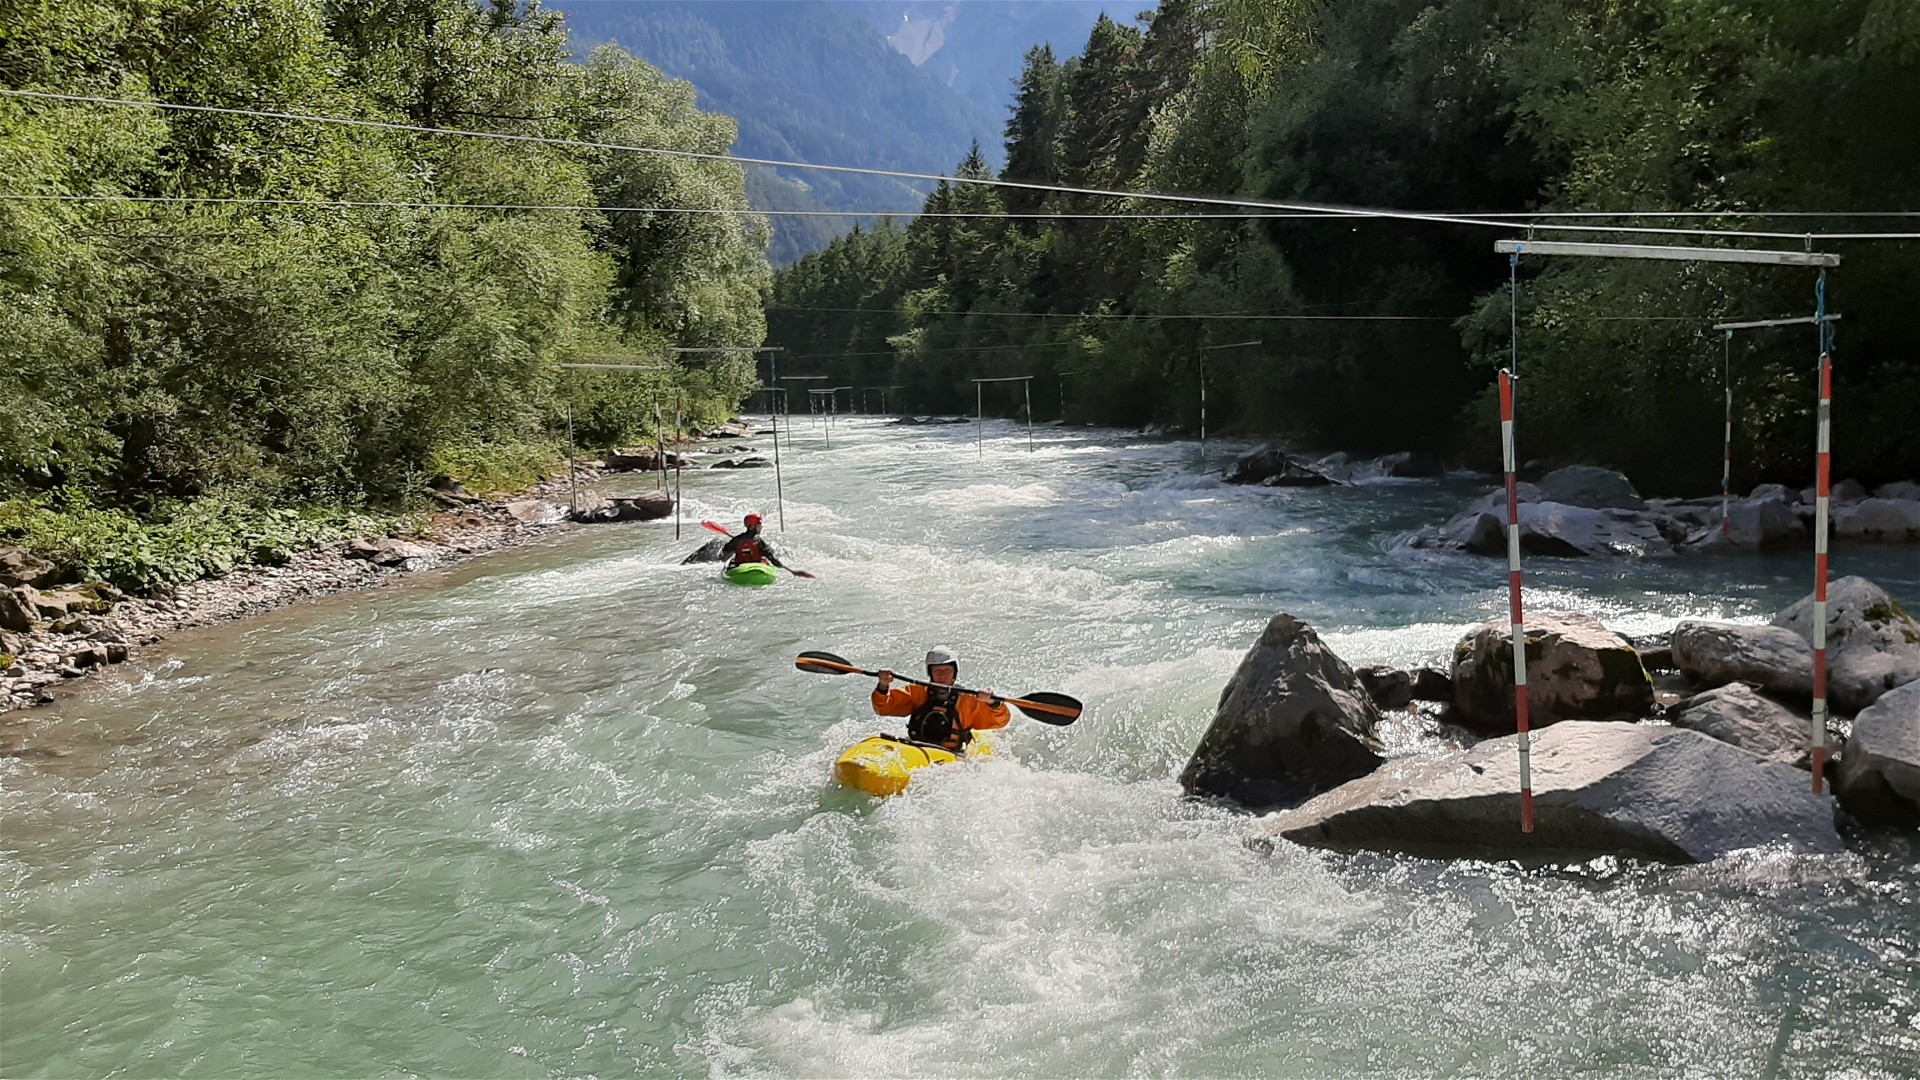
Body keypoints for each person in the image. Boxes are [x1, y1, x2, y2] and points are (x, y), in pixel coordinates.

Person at [871, 647, 1010, 751]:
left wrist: (993, 702)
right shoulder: (917, 692)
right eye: (937, 671)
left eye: (947, 670)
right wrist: (883, 685)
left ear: (954, 673)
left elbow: (1000, 721)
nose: (942, 676)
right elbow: (883, 707)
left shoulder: (968, 700)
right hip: (916, 746)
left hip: (950, 754)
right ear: (930, 673)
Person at [722, 513, 790, 571]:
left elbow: (725, 550)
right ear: (751, 527)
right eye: (759, 525)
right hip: (757, 568)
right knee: (765, 558)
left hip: (740, 568)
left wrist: (735, 546)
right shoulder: (759, 541)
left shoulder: (737, 540)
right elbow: (770, 556)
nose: (761, 527)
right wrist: (781, 566)